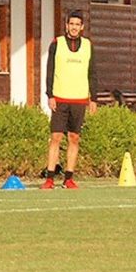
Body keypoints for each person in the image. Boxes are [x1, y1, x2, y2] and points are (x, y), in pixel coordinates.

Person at [41, 10, 97, 190]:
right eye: (71, 24)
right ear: (66, 26)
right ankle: (50, 179)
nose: (74, 27)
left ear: (82, 27)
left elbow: (92, 73)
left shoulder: (88, 45)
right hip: (60, 98)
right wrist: (50, 95)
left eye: (77, 24)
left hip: (79, 99)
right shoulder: (56, 43)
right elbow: (50, 70)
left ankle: (69, 178)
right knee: (55, 137)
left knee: (74, 138)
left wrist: (93, 98)